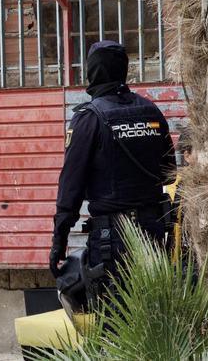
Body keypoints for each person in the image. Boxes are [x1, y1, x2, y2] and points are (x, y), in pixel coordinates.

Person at [50, 40, 177, 296]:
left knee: (114, 320)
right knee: (153, 309)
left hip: (112, 240)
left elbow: (70, 186)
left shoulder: (89, 117)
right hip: (152, 231)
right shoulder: (151, 111)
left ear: (93, 70)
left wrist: (59, 240)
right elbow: (168, 170)